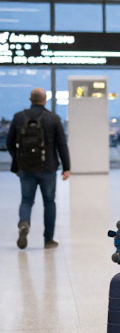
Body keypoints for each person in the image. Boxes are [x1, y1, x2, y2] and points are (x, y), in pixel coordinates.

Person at [6, 88, 70, 249]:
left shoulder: (19, 117)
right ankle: (48, 239)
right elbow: (61, 144)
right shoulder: (53, 118)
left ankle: (24, 223)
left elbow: (9, 142)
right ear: (44, 100)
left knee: (26, 200)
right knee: (49, 202)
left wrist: (18, 159)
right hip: (47, 167)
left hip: (25, 167)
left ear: (30, 99)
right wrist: (66, 167)